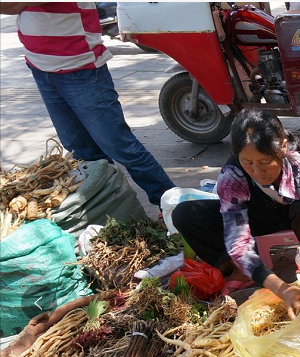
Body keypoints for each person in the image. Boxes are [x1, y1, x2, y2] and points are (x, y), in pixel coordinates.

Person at [172, 109, 300, 318]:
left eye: (265, 162)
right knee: (185, 213)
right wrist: (281, 288)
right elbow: (237, 241)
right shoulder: (233, 175)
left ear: (283, 147)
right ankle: (240, 269)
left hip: (299, 218)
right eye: (248, 162)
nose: (257, 172)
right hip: (254, 218)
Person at [3, 2, 175, 207]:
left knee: (120, 146)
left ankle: (175, 206)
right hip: (40, 67)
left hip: (80, 70)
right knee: (80, 148)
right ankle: (112, 205)